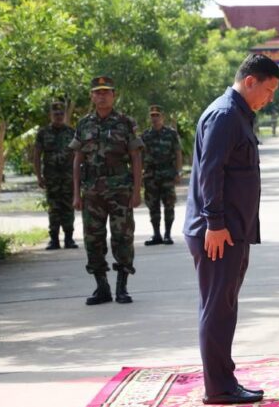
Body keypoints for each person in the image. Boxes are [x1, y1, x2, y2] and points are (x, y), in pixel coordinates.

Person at [183, 53, 279, 404]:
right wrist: (214, 222)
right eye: (268, 90)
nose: (269, 98)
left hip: (231, 229)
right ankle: (219, 387)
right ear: (250, 81)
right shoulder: (225, 115)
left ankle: (224, 380)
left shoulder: (237, 114)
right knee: (218, 309)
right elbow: (210, 172)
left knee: (222, 307)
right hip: (218, 232)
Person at [70, 76, 143, 305]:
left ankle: (122, 288)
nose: (102, 96)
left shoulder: (125, 123)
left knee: (123, 238)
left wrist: (137, 191)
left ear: (114, 95)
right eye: (97, 92)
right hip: (92, 192)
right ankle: (102, 288)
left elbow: (136, 157)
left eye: (106, 92)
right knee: (93, 240)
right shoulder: (84, 124)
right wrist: (76, 194)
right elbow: (77, 159)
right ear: (92, 96)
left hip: (120, 190)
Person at [33, 100, 77, 250]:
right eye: (55, 114)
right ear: (50, 115)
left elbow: (77, 155)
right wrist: (39, 176)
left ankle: (69, 239)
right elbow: (37, 155)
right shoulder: (43, 133)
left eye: (61, 114)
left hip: (68, 177)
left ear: (64, 115)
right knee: (54, 208)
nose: (58, 116)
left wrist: (78, 177)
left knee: (68, 207)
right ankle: (54, 240)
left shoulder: (71, 132)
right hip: (51, 177)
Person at [141, 105, 183, 246]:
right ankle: (157, 234)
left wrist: (178, 172)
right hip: (151, 176)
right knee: (153, 206)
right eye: (152, 115)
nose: (154, 118)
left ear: (162, 117)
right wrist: (140, 174)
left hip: (167, 175)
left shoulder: (171, 134)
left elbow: (178, 153)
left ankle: (167, 234)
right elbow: (140, 156)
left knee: (169, 205)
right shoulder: (145, 135)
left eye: (157, 115)